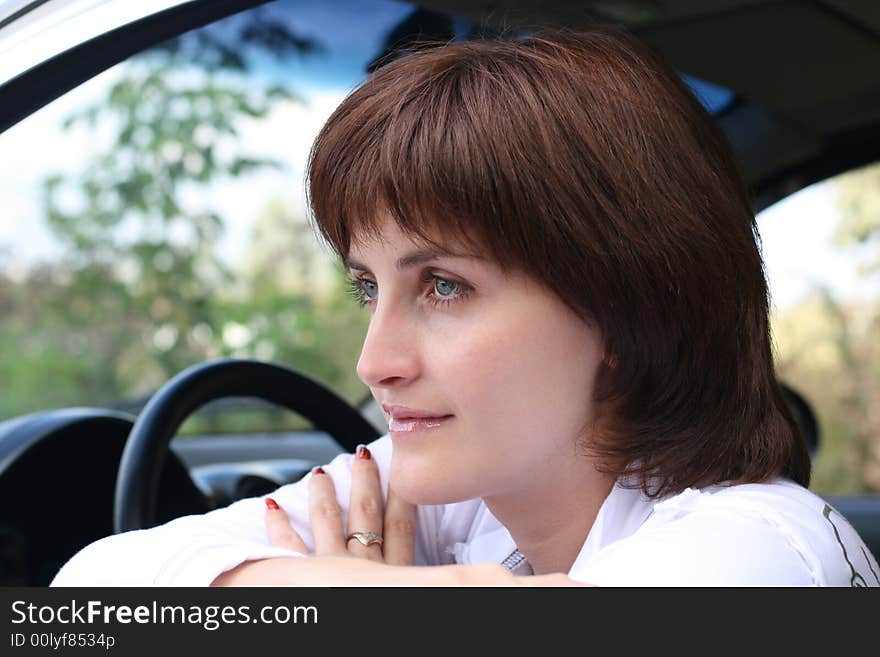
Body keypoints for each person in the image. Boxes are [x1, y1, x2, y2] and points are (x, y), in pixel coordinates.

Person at [52, 27, 878, 587]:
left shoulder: (767, 545)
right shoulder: (464, 499)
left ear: (631, 308)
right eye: (368, 287)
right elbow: (89, 591)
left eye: (444, 286)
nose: (374, 362)